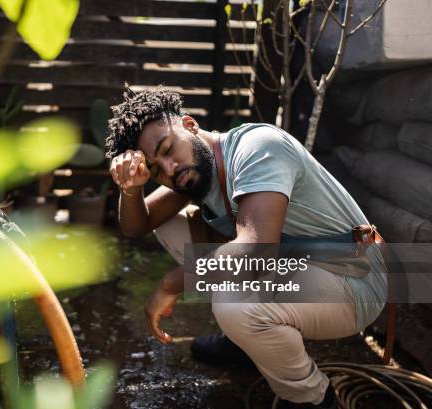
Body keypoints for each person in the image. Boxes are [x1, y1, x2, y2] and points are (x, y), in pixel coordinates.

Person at [105, 85, 387, 408]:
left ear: (189, 125)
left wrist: (170, 283)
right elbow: (137, 224)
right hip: (299, 268)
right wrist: (131, 190)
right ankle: (245, 344)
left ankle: (314, 399)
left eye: (168, 149)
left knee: (235, 304)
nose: (169, 169)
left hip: (355, 279)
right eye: (155, 170)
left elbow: (256, 253)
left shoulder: (257, 149)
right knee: (167, 224)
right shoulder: (193, 172)